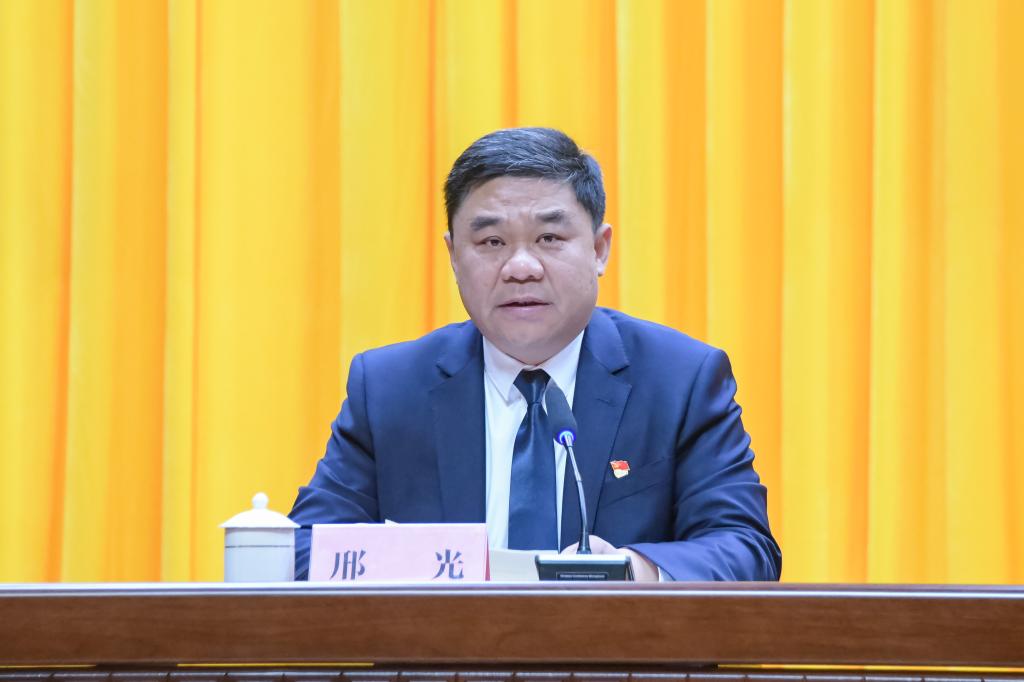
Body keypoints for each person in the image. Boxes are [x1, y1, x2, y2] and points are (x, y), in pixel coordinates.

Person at [289, 127, 781, 581]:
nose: (520, 267)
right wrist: (430, 569)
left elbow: (745, 549)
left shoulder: (680, 380)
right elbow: (303, 551)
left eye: (549, 238)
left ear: (599, 249)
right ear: (453, 255)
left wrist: (633, 572)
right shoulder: (390, 388)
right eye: (491, 241)